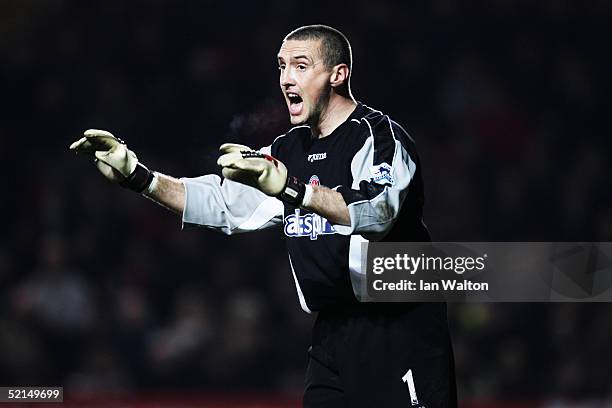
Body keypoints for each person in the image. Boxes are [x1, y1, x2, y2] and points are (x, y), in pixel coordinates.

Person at [70, 24, 457, 407]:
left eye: (301, 66)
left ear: (338, 74)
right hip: (331, 336)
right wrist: (140, 178)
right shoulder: (287, 150)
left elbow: (378, 209)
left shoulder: (377, 136)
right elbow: (221, 202)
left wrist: (294, 190)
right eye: (281, 66)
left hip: (399, 325)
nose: (287, 78)